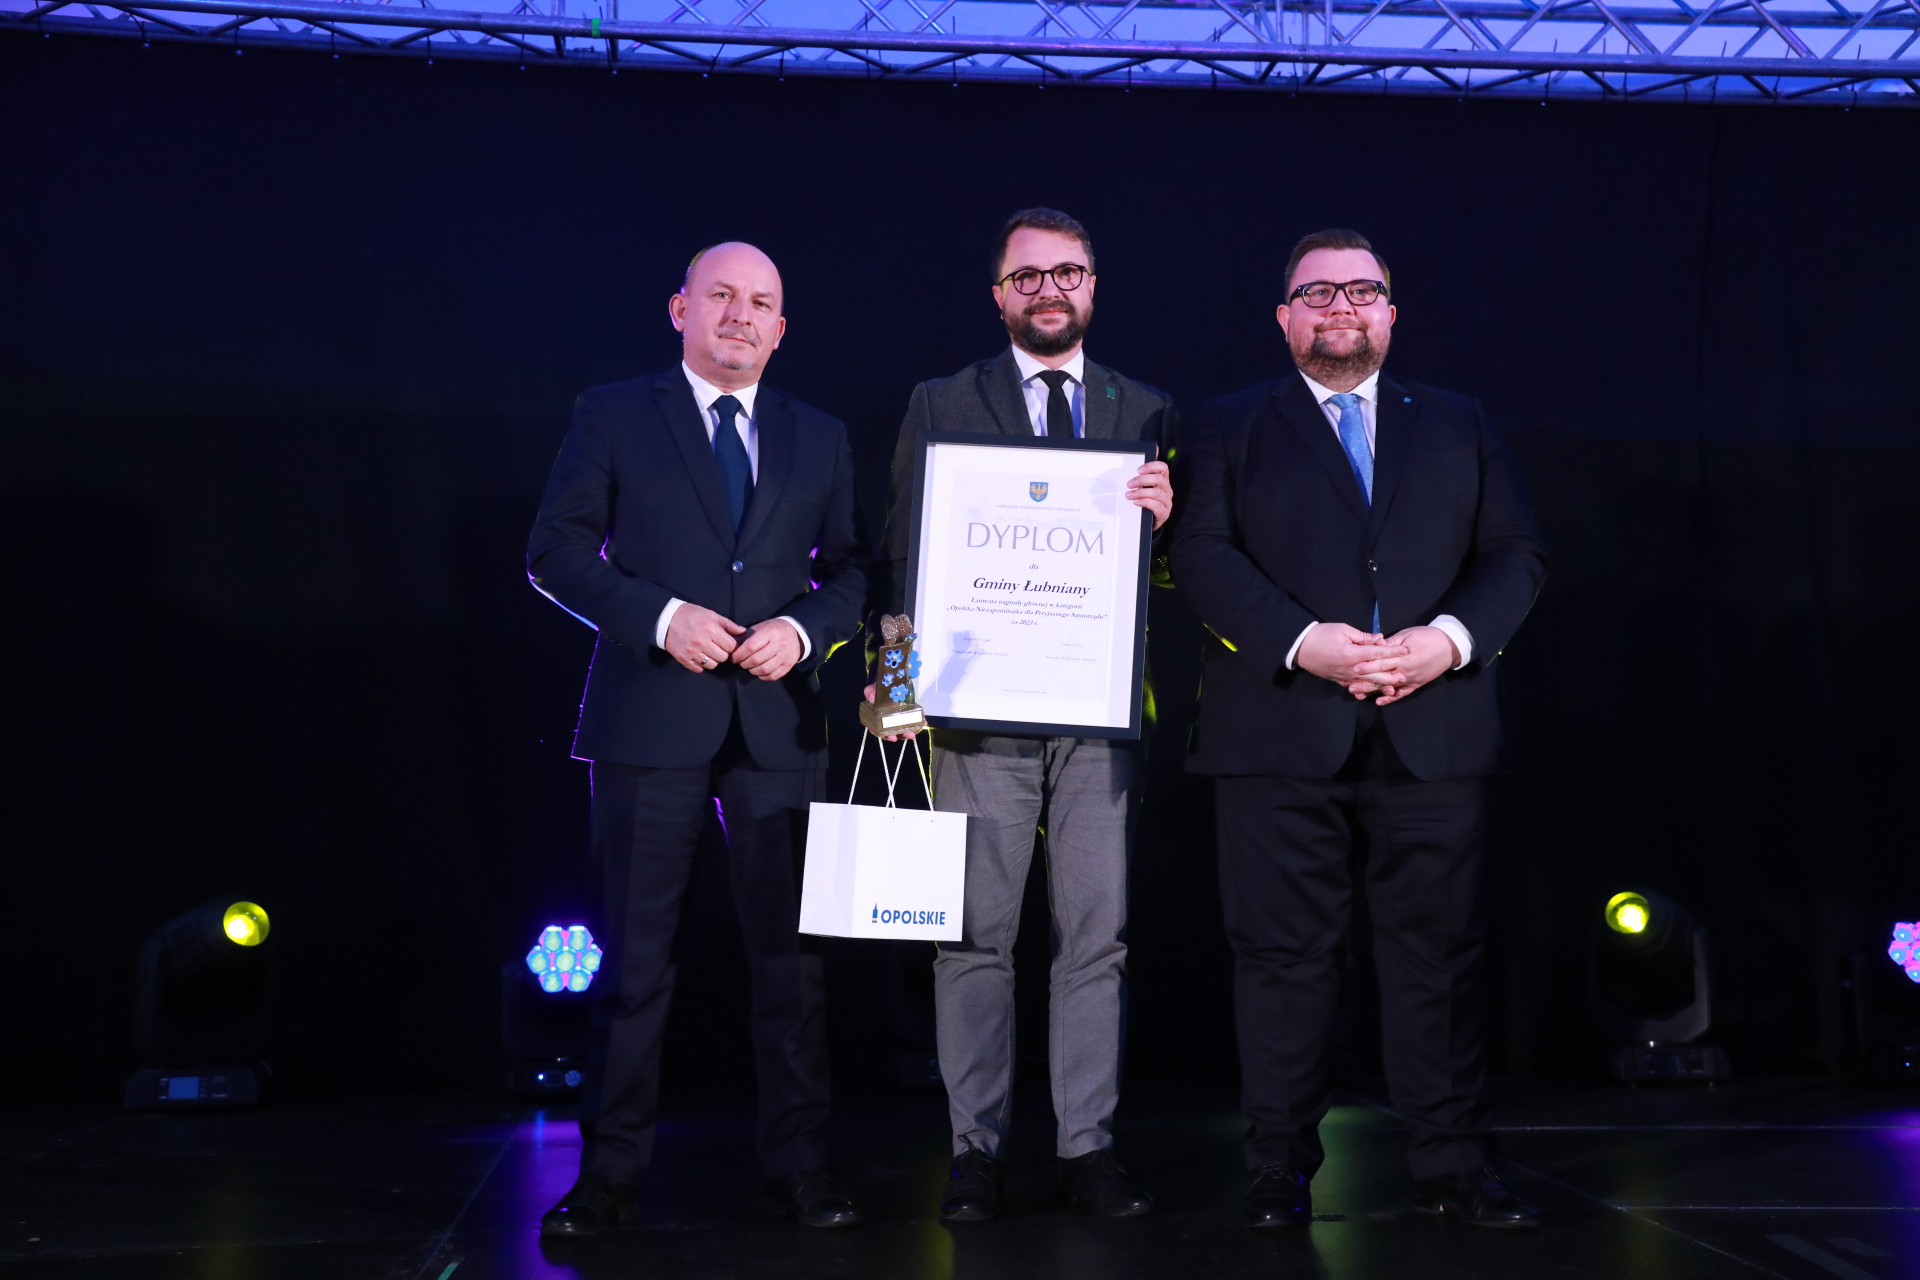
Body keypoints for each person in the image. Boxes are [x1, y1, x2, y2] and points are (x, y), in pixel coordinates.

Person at [1169, 230, 1548, 1230]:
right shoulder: (1225, 423)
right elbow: (1200, 556)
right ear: (1283, 317)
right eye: (1318, 292)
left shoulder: (1460, 420)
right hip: (1278, 728)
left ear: (1391, 312)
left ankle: (1454, 1164)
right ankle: (1277, 1168)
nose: (1341, 305)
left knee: (1440, 958)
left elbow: (1516, 555)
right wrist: (1305, 644)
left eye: (1362, 290)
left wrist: (1448, 642)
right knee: (1280, 960)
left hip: (1435, 727)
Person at [527, 242, 869, 1236]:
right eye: (721, 295)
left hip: (778, 720)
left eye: (760, 302)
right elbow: (553, 550)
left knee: (793, 967)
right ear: (680, 309)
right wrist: (661, 616)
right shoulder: (613, 412)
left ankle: (800, 1169)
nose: (740, 314)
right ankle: (609, 1177)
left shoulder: (821, 434)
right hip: (650, 712)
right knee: (635, 964)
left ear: (781, 328)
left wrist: (804, 629)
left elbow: (856, 570)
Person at [875, 208, 1175, 1222]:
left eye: (1068, 273)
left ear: (1093, 286)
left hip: (1098, 718)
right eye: (1029, 275)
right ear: (999, 293)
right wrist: (896, 684)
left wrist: (1169, 522)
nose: (1050, 289)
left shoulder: (1148, 409)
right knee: (971, 939)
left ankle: (1088, 1151)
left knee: (1097, 940)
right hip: (975, 714)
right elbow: (904, 553)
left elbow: (1172, 573)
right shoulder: (940, 400)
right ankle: (976, 1152)